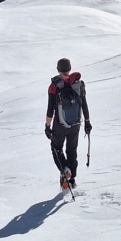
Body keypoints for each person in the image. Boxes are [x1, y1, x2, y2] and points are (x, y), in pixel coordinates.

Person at [45, 57, 92, 190]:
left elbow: (50, 109)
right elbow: (84, 105)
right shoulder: (78, 84)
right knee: (72, 151)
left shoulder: (54, 86)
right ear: (69, 69)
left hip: (60, 125)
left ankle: (65, 170)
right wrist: (87, 122)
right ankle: (72, 179)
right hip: (76, 124)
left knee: (56, 148)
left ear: (58, 69)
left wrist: (47, 127)